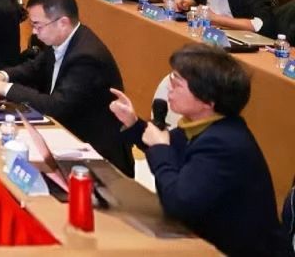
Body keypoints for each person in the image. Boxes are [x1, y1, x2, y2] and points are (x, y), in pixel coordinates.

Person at [108, 45, 286, 256]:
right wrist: (133, 123)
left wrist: (159, 148)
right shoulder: (203, 125)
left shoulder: (223, 144)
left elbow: (178, 202)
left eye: (177, 83)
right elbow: (168, 145)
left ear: (208, 101)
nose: (169, 88)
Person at [0, 0, 133, 175]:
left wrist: (7, 88)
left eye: (37, 25)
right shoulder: (62, 39)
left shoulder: (87, 57)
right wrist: (2, 75)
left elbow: (56, 106)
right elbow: (35, 67)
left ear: (63, 22)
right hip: (66, 133)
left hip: (95, 154)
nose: (34, 32)